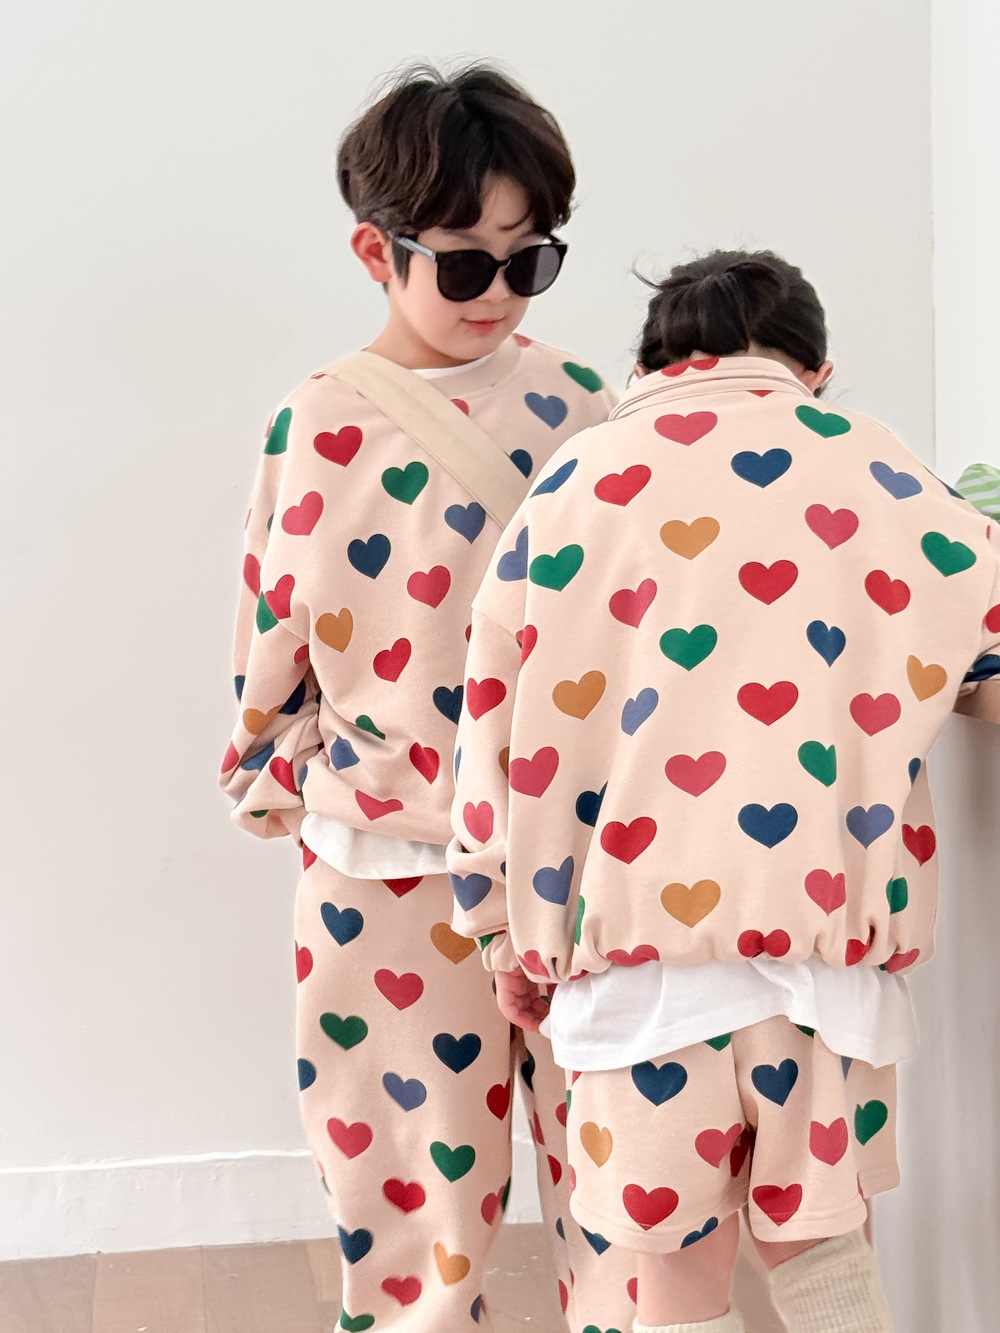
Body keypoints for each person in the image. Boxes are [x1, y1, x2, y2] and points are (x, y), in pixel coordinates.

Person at [446, 248, 1000, 1333]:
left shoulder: (577, 482)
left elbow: (492, 728)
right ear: (816, 369)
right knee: (823, 1253)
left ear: (653, 365)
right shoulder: (875, 466)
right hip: (820, 963)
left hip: (632, 968)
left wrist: (502, 932)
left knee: (673, 1275)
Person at [219, 62, 638, 1332]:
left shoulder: (583, 405)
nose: (496, 293)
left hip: (570, 866)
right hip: (385, 864)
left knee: (622, 1183)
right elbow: (271, 635)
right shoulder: (319, 423)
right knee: (409, 1206)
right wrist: (283, 776)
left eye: (530, 260)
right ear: (376, 251)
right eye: (463, 263)